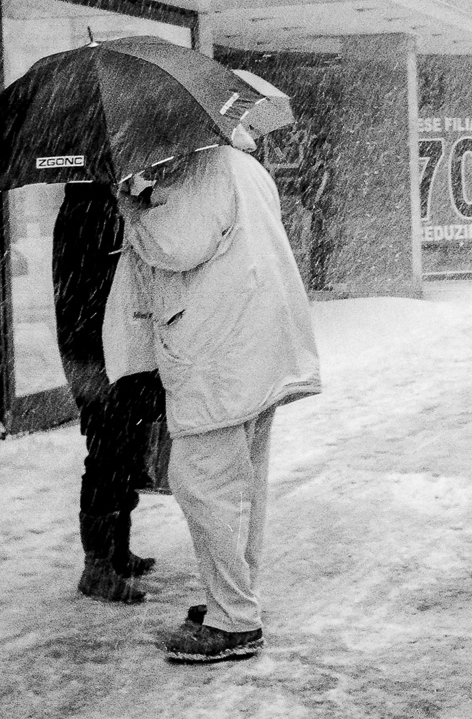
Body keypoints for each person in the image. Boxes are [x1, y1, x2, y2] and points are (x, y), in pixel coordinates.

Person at [113, 137, 321, 664]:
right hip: (251, 344)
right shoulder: (241, 165)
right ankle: (233, 604)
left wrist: (133, 212)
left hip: (218, 353)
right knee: (240, 485)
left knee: (204, 484)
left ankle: (234, 623)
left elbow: (177, 244)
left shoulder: (204, 169)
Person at [52, 185, 165, 605]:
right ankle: (96, 566)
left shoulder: (96, 204)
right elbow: (99, 282)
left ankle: (117, 550)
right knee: (107, 448)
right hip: (94, 351)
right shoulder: (90, 209)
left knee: (126, 442)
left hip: (106, 344)